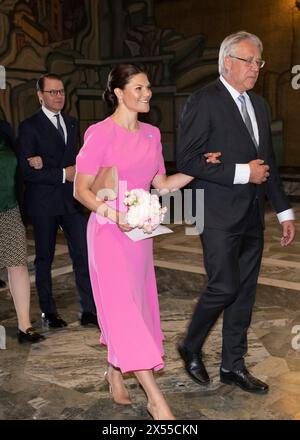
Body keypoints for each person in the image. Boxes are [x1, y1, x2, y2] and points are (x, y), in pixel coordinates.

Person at [74, 63, 220, 420]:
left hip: (139, 234)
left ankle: (114, 372)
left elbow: (162, 185)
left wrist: (198, 166)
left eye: (148, 88)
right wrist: (114, 214)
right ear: (118, 93)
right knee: (122, 308)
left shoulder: (152, 134)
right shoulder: (99, 133)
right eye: (138, 88)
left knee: (134, 309)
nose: (146, 94)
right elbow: (81, 190)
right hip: (109, 232)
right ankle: (156, 399)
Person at [176, 31, 296, 394]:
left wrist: (284, 211)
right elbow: (188, 160)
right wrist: (244, 171)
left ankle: (233, 365)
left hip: (251, 216)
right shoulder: (203, 100)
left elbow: (268, 162)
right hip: (213, 212)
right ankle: (190, 344)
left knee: (244, 292)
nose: (255, 68)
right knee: (224, 285)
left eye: (258, 62)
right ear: (227, 61)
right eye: (248, 61)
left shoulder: (259, 105)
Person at [16, 73, 98, 328]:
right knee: (44, 257)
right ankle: (48, 312)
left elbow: (79, 162)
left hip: (71, 200)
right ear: (40, 95)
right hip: (42, 203)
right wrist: (63, 173)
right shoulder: (29, 127)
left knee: (84, 254)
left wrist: (48, 166)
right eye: (52, 92)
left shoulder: (72, 123)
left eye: (61, 91)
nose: (58, 96)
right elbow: (27, 172)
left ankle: (88, 310)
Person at [0, 119, 44, 343]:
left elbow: (17, 165)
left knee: (17, 264)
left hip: (9, 208)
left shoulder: (4, 129)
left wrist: (31, 162)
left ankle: (24, 326)